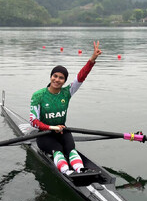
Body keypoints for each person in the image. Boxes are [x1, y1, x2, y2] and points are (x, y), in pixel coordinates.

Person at [29, 41, 102, 176]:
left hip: (62, 130)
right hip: (44, 135)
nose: (57, 79)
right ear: (51, 77)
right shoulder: (38, 95)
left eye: (61, 78)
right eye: (55, 76)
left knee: (71, 149)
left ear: (64, 81)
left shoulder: (66, 92)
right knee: (57, 149)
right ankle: (67, 172)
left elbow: (81, 77)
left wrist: (92, 59)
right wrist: (52, 128)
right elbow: (33, 121)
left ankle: (80, 170)